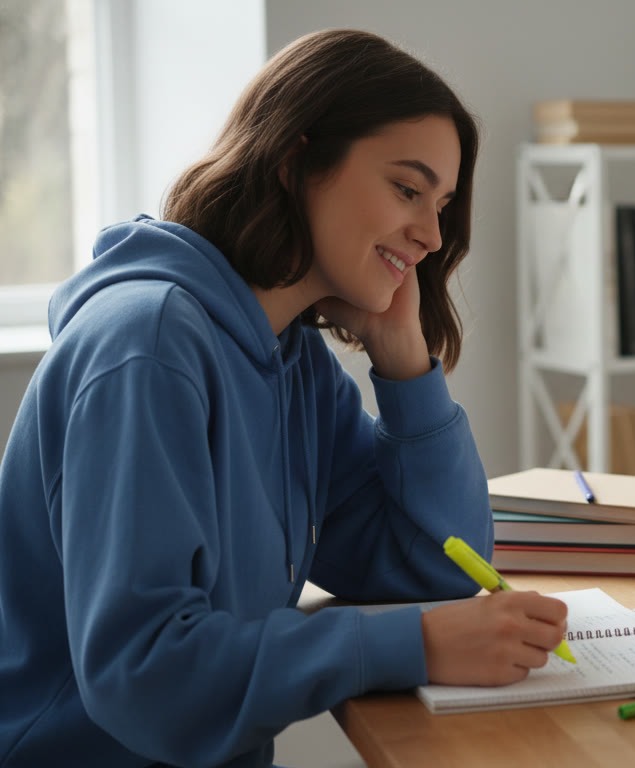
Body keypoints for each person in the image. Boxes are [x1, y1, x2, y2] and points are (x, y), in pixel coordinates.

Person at [0, 29, 568, 768]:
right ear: (296, 161)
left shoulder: (292, 361)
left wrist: (404, 365)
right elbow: (146, 673)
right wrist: (419, 645)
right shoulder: (149, 347)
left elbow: (443, 570)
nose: (431, 235)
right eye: (407, 189)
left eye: (443, 204)